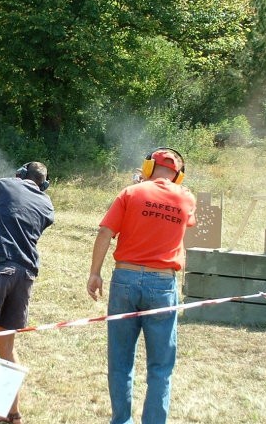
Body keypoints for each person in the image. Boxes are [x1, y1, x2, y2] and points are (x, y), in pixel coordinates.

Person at [87, 148, 196, 424]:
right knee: (160, 366)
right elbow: (189, 224)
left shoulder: (130, 193)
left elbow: (105, 232)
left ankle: (122, 420)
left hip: (125, 279)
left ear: (148, 166)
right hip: (162, 283)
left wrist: (95, 273)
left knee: (120, 361)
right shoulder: (186, 197)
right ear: (179, 175)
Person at [0, 161, 54, 424]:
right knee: (7, 347)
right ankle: (11, 414)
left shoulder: (4, 184)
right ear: (43, 184)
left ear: (21, 175)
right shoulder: (47, 205)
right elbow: (19, 220)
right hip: (24, 276)